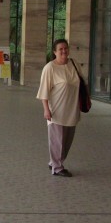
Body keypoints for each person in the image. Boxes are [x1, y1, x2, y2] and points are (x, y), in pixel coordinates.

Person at [37, 39, 83, 177]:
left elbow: (81, 83)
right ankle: (57, 167)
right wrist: (46, 109)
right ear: (55, 52)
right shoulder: (49, 68)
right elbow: (44, 90)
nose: (64, 51)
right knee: (57, 141)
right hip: (56, 110)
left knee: (67, 141)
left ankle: (54, 162)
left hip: (72, 109)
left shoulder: (74, 63)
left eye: (65, 48)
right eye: (60, 49)